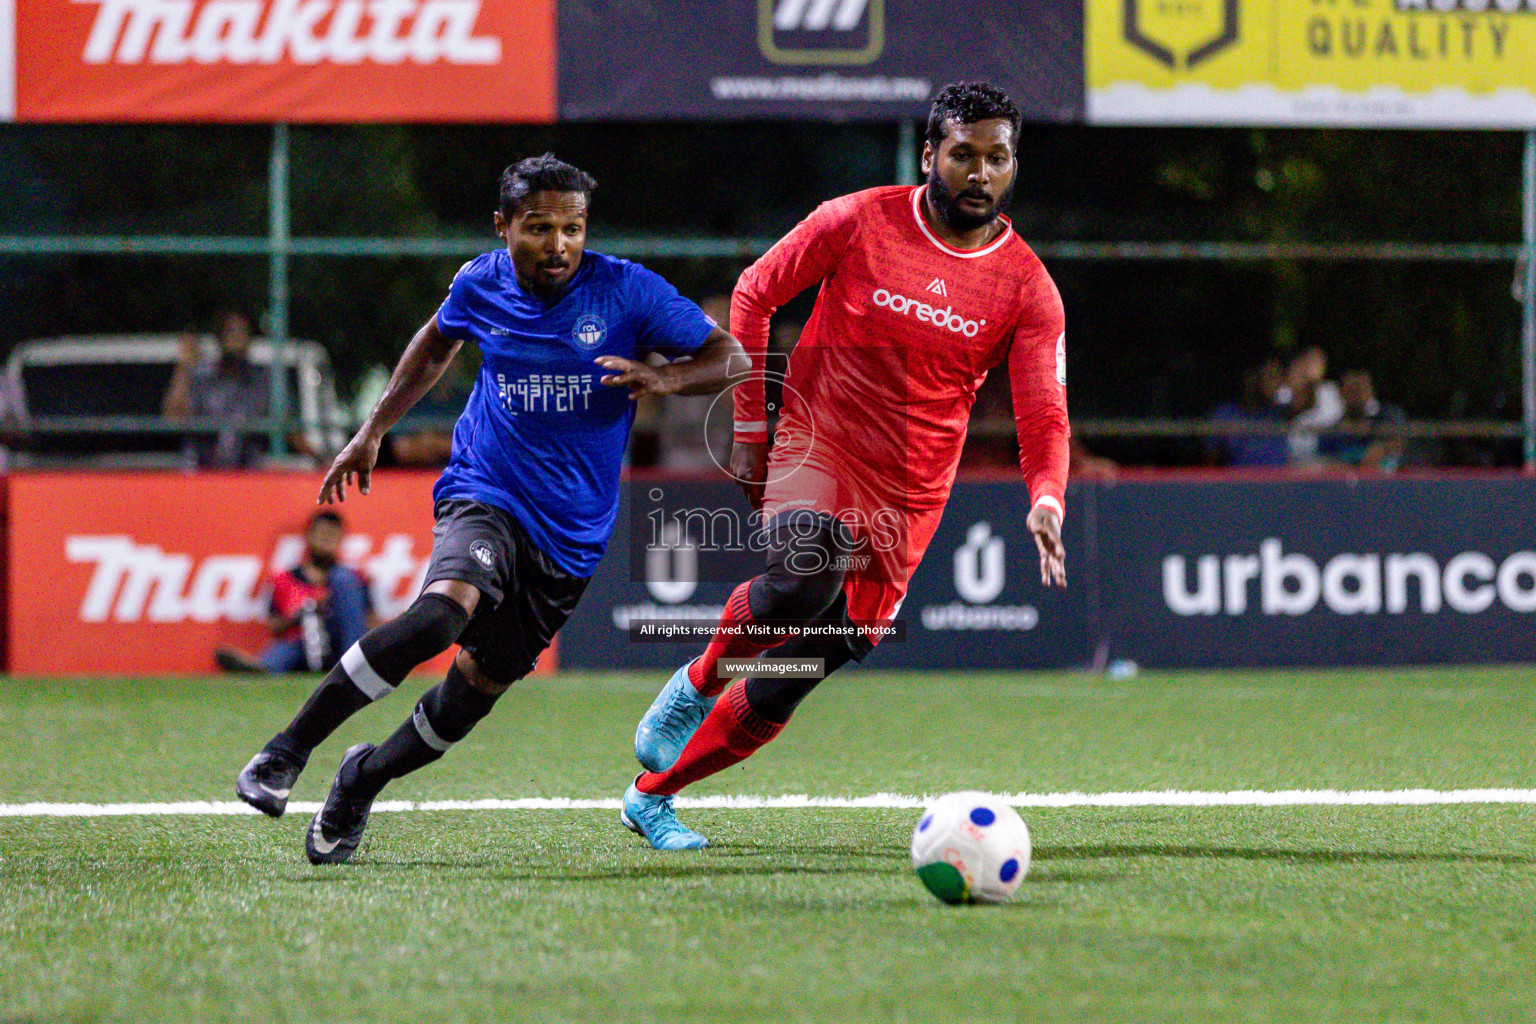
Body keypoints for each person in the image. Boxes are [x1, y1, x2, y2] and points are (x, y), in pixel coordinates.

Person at [233, 153, 744, 864]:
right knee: (440, 613)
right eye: (538, 227)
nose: (558, 244)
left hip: (571, 537)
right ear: (503, 227)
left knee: (466, 699)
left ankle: (361, 780)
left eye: (572, 228)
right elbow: (436, 341)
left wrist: (666, 375)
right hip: (487, 491)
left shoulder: (628, 293)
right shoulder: (481, 283)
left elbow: (732, 359)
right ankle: (284, 753)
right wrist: (373, 428)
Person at [620, 82, 1071, 850]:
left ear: (1013, 165)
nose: (980, 173)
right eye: (963, 154)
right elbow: (755, 293)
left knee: (802, 665)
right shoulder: (858, 218)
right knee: (808, 572)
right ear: (931, 154)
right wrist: (757, 427)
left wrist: (1047, 501)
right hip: (817, 443)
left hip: (911, 495)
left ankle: (652, 798)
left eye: (997, 158)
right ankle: (699, 680)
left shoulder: (1028, 288)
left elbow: (1042, 413)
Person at [215, 510, 374, 675]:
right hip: (302, 643)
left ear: (342, 539)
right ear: (308, 536)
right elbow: (274, 626)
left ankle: (355, 666)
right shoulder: (285, 578)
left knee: (342, 578)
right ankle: (262, 668)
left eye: (333, 535)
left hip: (340, 643)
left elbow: (369, 621)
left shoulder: (353, 580)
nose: (327, 540)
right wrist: (302, 614)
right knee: (287, 647)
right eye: (322, 533)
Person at [162, 309, 272, 469]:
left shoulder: (260, 382)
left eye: (242, 332)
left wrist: (318, 457)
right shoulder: (202, 379)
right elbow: (172, 416)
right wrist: (184, 366)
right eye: (231, 331)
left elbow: (288, 426)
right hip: (204, 476)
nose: (237, 338)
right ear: (219, 338)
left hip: (246, 479)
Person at [1318, 369, 1406, 472]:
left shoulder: (1389, 419)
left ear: (1370, 391)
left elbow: (1398, 444)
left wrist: (1383, 447)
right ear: (1341, 393)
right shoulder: (1332, 432)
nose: (1357, 395)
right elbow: (1323, 461)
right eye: (1352, 390)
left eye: (1361, 389)